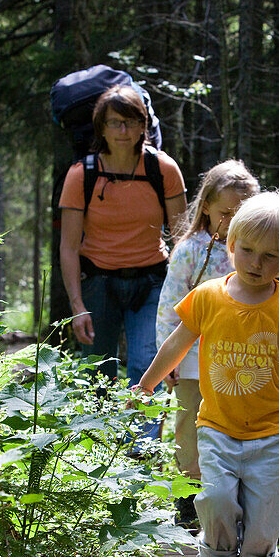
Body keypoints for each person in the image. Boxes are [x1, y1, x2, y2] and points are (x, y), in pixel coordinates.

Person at [134, 191, 279, 557]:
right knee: (215, 496)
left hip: (273, 432)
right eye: (249, 250)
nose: (257, 263)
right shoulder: (208, 296)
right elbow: (176, 343)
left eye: (271, 256)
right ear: (231, 245)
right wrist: (147, 383)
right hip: (218, 426)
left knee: (270, 508)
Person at [58, 85, 187, 439]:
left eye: (130, 122)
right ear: (101, 128)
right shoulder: (81, 175)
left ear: (143, 125)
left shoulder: (163, 169)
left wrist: (183, 299)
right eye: (115, 123)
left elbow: (182, 240)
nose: (123, 131)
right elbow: (69, 247)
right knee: (98, 372)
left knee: (149, 367)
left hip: (151, 283)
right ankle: (99, 451)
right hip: (98, 283)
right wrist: (77, 307)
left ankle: (139, 455)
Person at [154, 160, 260, 526]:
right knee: (189, 429)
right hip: (192, 362)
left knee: (236, 433)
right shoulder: (191, 250)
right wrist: (166, 361)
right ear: (207, 209)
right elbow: (170, 307)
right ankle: (189, 504)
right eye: (225, 212)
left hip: (242, 366)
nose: (231, 221)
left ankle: (234, 504)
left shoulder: (253, 254)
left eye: (241, 213)